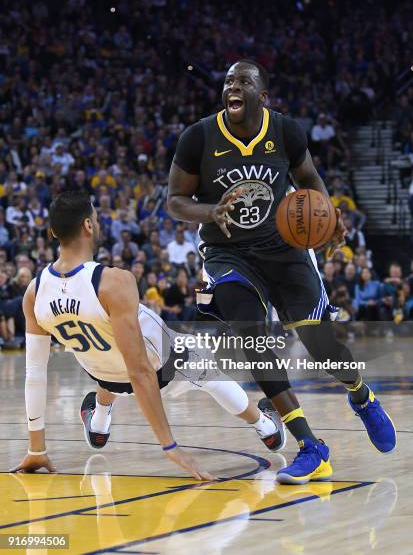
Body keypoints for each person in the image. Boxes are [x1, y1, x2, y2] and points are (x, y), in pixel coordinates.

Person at [167, 59, 396, 484]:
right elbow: (175, 201)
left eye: (244, 81)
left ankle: (361, 396)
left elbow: (309, 180)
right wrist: (210, 212)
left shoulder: (286, 131)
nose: (233, 86)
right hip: (227, 252)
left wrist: (328, 218)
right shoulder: (198, 137)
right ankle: (312, 447)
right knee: (252, 338)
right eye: (229, 81)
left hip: (285, 248)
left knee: (321, 346)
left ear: (262, 95)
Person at [11, 191, 285, 477]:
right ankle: (266, 426)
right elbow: (140, 370)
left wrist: (37, 450)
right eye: (96, 218)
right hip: (161, 366)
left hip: (103, 373)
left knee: (111, 356)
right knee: (211, 374)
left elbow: (34, 373)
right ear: (89, 226)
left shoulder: (34, 291)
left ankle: (99, 421)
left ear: (53, 231)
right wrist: (170, 447)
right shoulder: (113, 281)